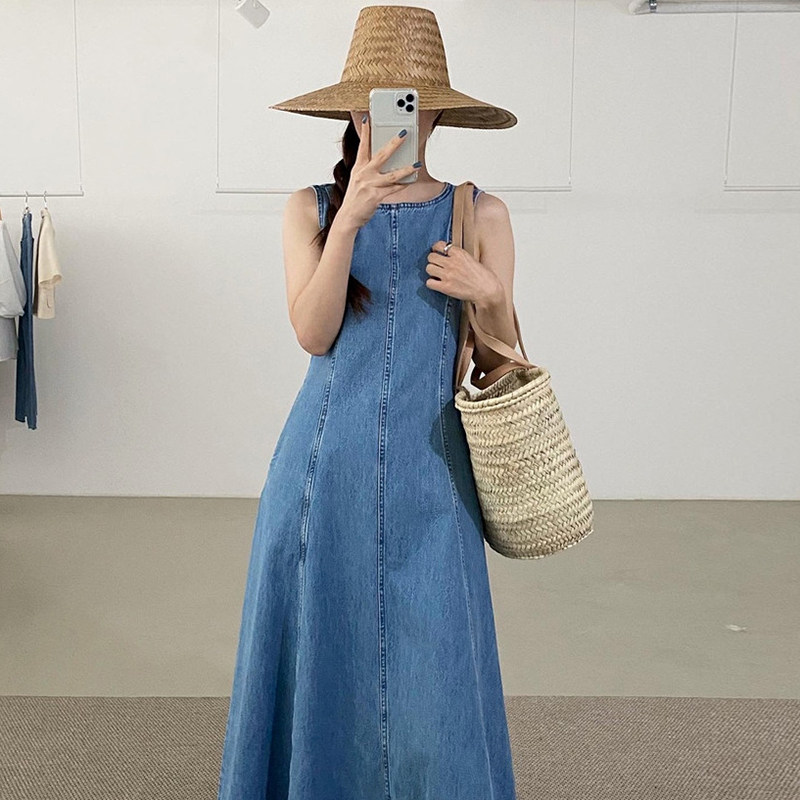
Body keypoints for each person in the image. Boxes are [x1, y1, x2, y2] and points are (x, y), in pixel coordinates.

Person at [217, 6, 520, 799]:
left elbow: (500, 364)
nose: (387, 123)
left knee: (438, 672)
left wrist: (489, 294)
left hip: (435, 475)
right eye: (373, 107)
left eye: (408, 106)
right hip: (323, 473)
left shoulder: (481, 213)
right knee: (326, 656)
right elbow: (313, 334)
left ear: (436, 115)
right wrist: (348, 221)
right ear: (353, 115)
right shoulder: (309, 208)